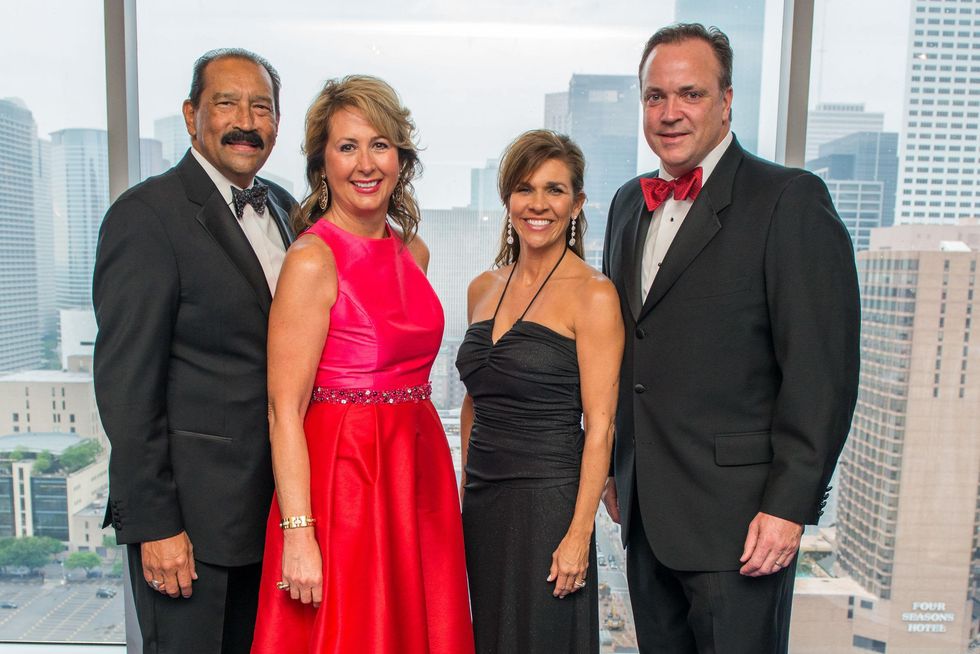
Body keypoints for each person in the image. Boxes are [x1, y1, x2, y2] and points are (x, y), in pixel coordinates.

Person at [600, 24, 860, 653]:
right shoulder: (627, 205)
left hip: (742, 523)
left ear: (727, 100)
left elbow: (820, 373)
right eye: (655, 96)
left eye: (690, 94)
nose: (670, 112)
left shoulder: (788, 199)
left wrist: (789, 507)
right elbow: (629, 349)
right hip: (645, 514)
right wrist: (613, 466)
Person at [249, 75, 474, 654]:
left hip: (417, 471)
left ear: (401, 158)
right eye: (347, 146)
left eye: (380, 145)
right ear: (322, 163)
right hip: (344, 485)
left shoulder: (414, 251)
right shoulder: (311, 259)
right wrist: (298, 533)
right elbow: (283, 411)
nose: (366, 163)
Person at [93, 48, 296, 653]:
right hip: (190, 527)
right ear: (191, 115)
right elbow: (127, 388)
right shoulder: (145, 216)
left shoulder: (284, 207)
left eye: (261, 107)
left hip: (274, 519)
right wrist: (155, 524)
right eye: (226, 103)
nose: (246, 121)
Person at [457, 129, 624, 654]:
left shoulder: (594, 295)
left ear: (577, 203)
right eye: (525, 188)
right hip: (483, 503)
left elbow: (601, 427)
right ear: (508, 199)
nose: (538, 204)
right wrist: (466, 487)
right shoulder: (483, 287)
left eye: (555, 190)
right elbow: (474, 400)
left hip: (550, 504)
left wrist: (579, 534)